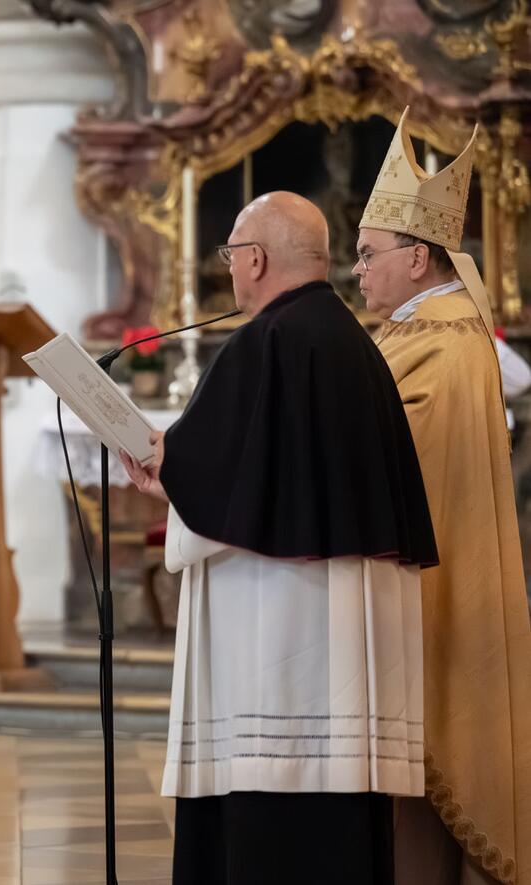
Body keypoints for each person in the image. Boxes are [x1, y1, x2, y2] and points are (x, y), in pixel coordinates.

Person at [122, 191, 437, 885]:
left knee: (269, 842)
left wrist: (167, 472)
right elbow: (252, 477)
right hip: (347, 665)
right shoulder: (357, 346)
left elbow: (219, 482)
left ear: (255, 258)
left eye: (232, 255)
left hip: (276, 660)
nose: (232, 270)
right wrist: (183, 476)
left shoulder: (264, 343)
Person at [356, 107, 531, 885]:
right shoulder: (418, 330)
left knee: (425, 772)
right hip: (422, 585)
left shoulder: (443, 343)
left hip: (436, 594)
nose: (356, 269)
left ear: (419, 256)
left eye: (368, 254)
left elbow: (381, 460)